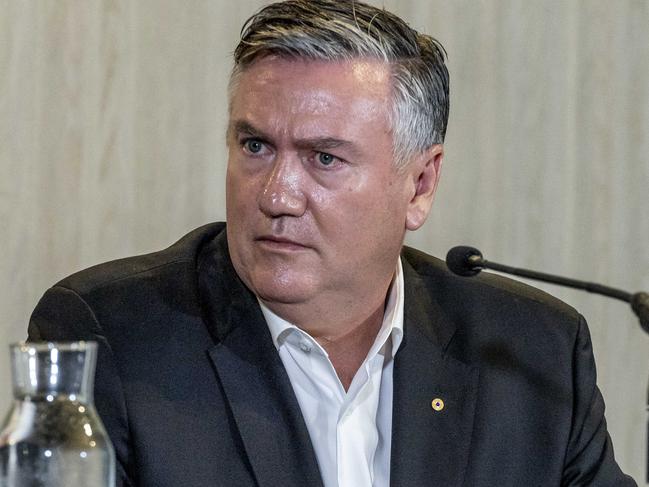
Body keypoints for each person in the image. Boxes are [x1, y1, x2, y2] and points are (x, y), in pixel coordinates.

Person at [28, 1, 636, 486]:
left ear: (420, 184)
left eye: (324, 157)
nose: (278, 194)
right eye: (255, 146)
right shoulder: (113, 336)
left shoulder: (531, 355)